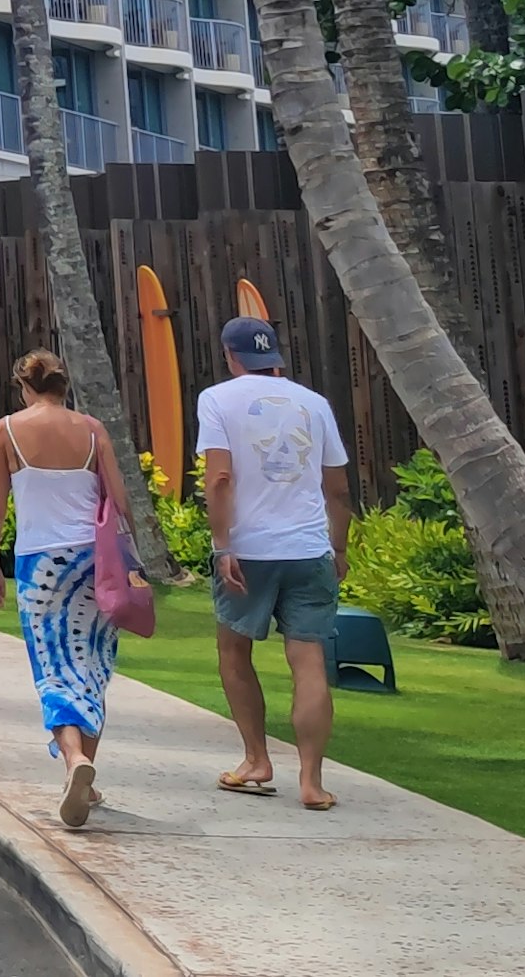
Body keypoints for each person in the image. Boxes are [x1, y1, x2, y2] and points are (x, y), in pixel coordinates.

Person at [197, 315, 354, 812]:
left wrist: (223, 546)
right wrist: (340, 547)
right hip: (309, 549)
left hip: (249, 551)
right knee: (308, 663)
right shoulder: (316, 403)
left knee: (234, 652)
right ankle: (312, 782)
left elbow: (219, 478)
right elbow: (339, 490)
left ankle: (257, 760)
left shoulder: (217, 399)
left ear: (230, 355)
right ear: (275, 355)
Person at [0, 349, 125, 829]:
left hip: (40, 562)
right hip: (95, 562)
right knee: (92, 663)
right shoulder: (92, 430)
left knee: (53, 667)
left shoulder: (8, 429)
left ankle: (73, 763)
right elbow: (119, 500)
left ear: (25, 387)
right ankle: (85, 770)